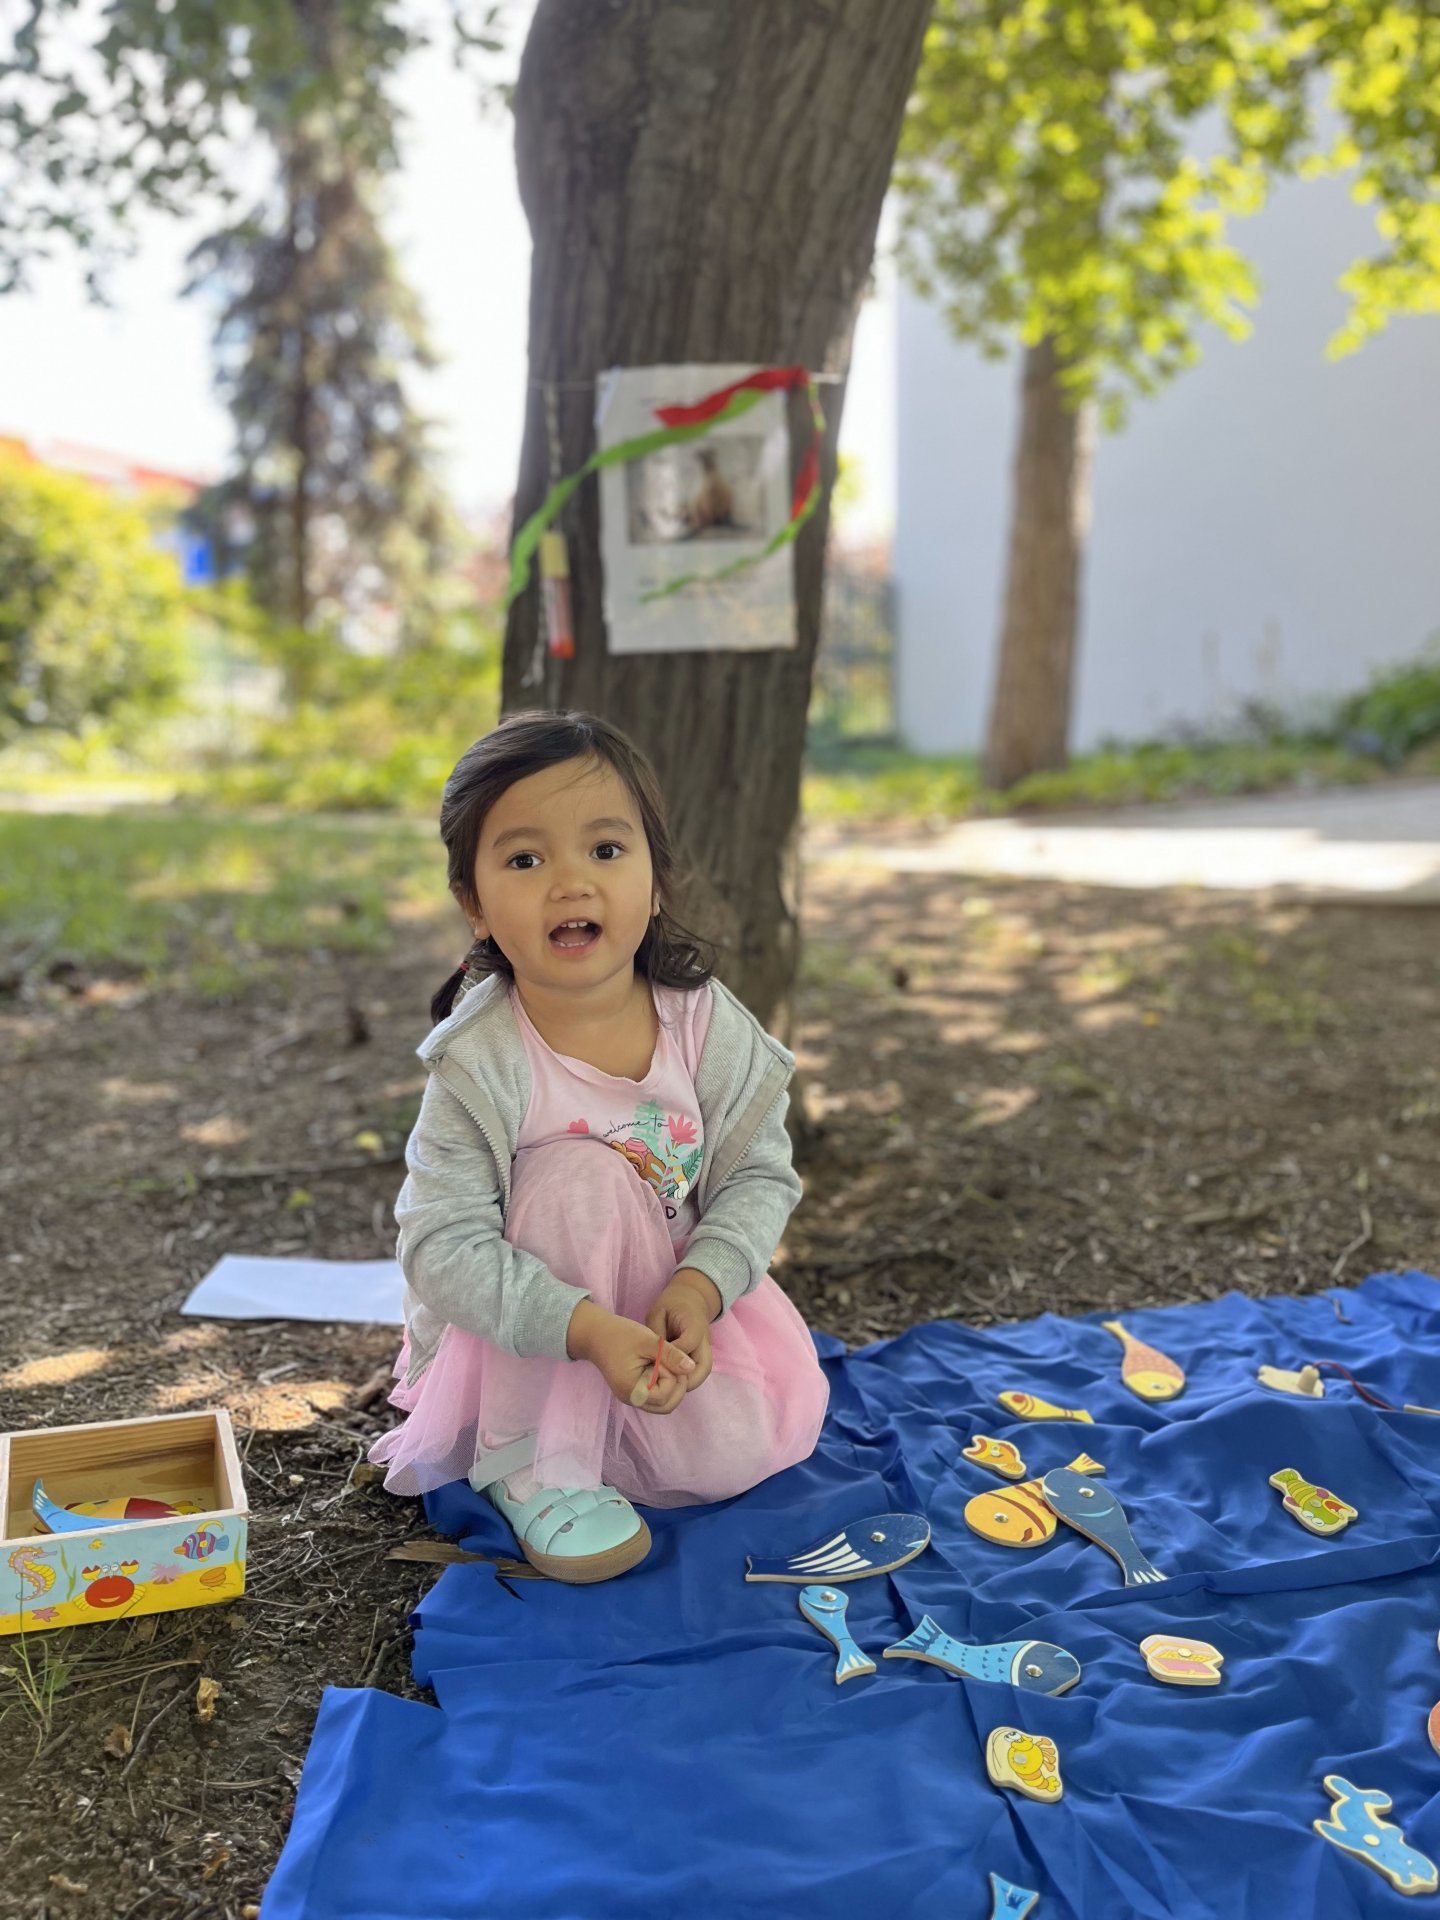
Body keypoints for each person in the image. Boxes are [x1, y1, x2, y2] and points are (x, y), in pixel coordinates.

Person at [368, 709, 829, 1583]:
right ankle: (530, 1458)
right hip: (528, 1341)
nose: (571, 882)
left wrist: (700, 1286)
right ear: (474, 905)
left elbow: (759, 1175)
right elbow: (440, 1244)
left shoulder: (702, 1024)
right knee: (584, 1174)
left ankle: (618, 1430)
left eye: (606, 850)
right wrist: (583, 1330)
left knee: (735, 1455)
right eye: (525, 860)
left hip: (657, 1309)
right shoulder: (480, 1060)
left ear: (655, 882)